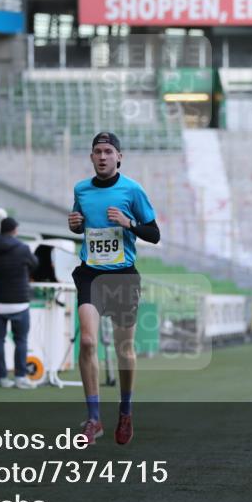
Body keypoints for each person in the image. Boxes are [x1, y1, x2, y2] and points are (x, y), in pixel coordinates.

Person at [68, 132, 160, 445]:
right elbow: (82, 223)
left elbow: (155, 234)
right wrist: (76, 224)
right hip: (90, 274)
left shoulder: (132, 190)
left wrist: (128, 222)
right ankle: (94, 419)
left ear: (119, 157)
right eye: (97, 152)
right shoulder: (81, 189)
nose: (103, 156)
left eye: (108, 151)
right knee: (89, 341)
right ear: (91, 157)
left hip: (123, 276)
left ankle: (125, 411)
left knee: (124, 350)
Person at [0, 217, 38, 389]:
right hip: (20, 302)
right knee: (21, 341)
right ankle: (20, 377)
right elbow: (34, 264)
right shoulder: (23, 248)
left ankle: (2, 378)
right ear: (14, 230)